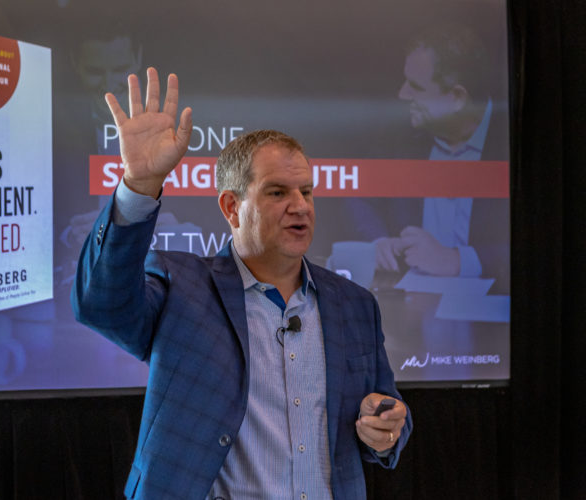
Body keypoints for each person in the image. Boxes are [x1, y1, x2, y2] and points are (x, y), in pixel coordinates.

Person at [72, 67, 411, 499]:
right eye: (277, 193)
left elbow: (389, 411)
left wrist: (385, 427)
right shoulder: (183, 287)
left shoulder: (355, 304)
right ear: (232, 208)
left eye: (306, 192)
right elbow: (99, 304)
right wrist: (140, 185)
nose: (300, 207)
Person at [356, 25, 509, 292]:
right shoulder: (398, 136)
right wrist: (379, 241)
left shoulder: (509, 143)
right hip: (411, 312)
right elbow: (357, 193)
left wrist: (458, 260)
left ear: (457, 98)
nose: (402, 95)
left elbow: (542, 238)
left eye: (416, 87)